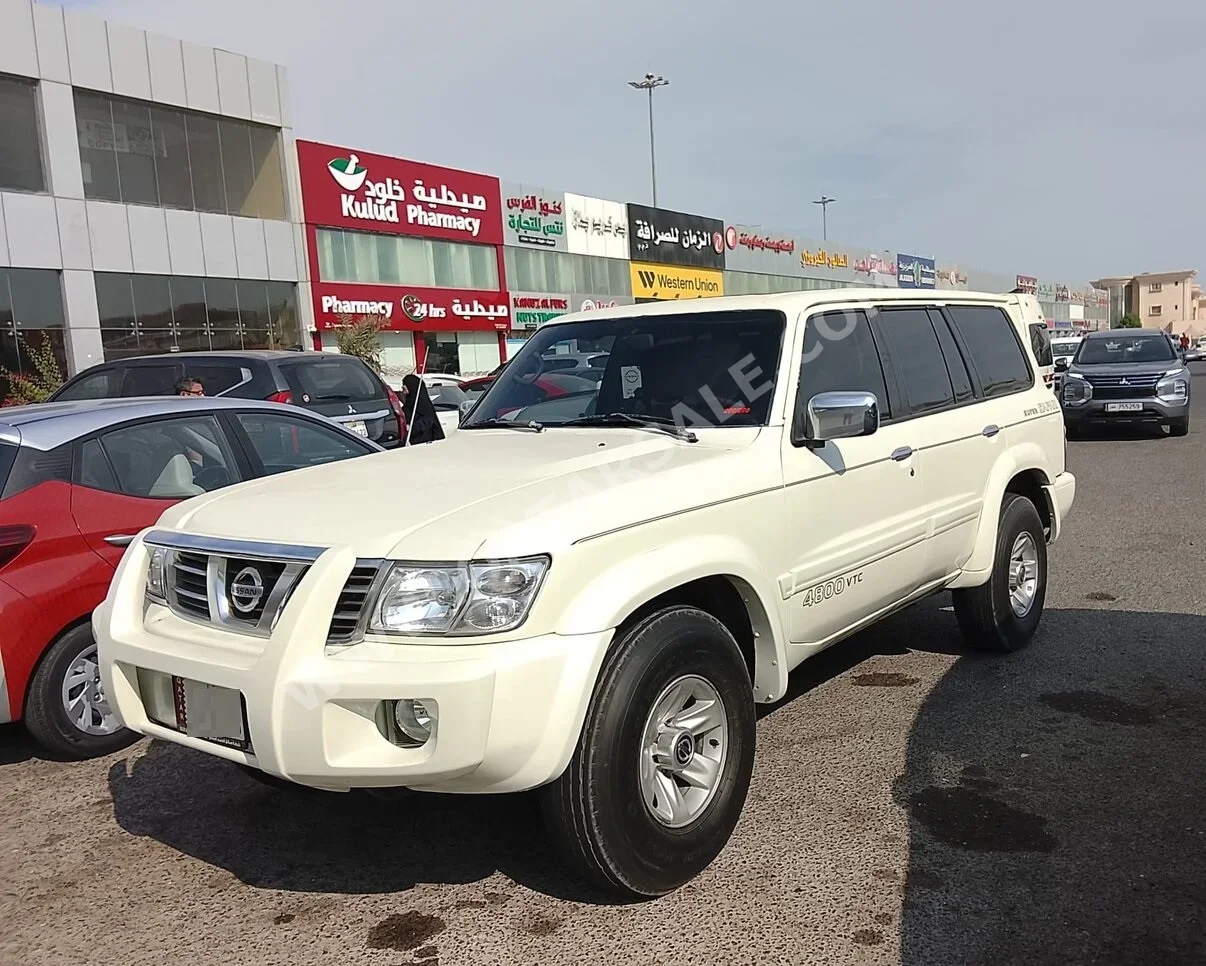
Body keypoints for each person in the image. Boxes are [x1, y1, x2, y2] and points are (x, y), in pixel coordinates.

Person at [401, 374, 445, 445]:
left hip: (424, 444)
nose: (403, 392)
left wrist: (410, 428)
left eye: (404, 389)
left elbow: (428, 422)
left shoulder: (424, 406)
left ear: (412, 388)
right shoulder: (409, 404)